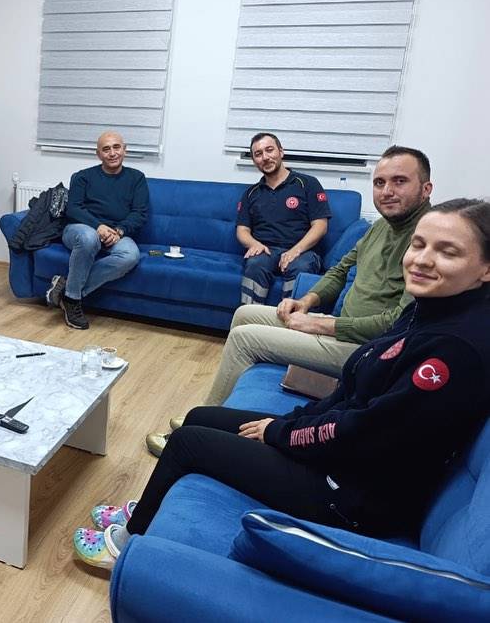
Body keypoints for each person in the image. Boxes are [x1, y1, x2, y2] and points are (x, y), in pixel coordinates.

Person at [75, 198, 490, 569]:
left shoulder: (453, 351)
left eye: (447, 251)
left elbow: (365, 431)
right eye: (418, 245)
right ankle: (149, 508)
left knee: (188, 442)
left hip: (350, 496)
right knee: (201, 416)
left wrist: (281, 433)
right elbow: (351, 396)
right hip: (340, 456)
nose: (422, 260)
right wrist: (293, 422)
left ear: (486, 268)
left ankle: (127, 545)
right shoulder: (427, 310)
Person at [146, 145, 433, 456]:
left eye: (400, 181)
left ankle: (200, 427)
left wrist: (321, 325)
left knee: (245, 339)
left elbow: (399, 324)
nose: (387, 191)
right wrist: (306, 302)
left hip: (366, 350)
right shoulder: (381, 227)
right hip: (342, 329)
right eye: (379, 182)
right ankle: (215, 412)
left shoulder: (425, 241)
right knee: (245, 313)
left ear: (426, 188)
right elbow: (340, 270)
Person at [45, 130, 149, 330]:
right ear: (98, 154)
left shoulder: (137, 178)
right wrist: (98, 226)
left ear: (125, 150)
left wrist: (119, 231)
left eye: (116, 147)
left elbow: (139, 213)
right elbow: (73, 209)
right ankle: (73, 297)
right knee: (89, 238)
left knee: (130, 255)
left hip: (116, 233)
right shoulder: (83, 177)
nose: (112, 153)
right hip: (80, 229)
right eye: (106, 149)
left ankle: (69, 294)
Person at [236, 132, 331, 304]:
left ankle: (290, 319)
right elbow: (242, 230)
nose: (265, 157)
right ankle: (248, 317)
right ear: (254, 161)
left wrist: (296, 250)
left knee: (300, 267)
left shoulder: (307, 184)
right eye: (258, 154)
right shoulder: (251, 193)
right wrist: (254, 244)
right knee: (254, 265)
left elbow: (320, 226)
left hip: (303, 251)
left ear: (281, 151)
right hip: (266, 251)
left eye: (269, 150)